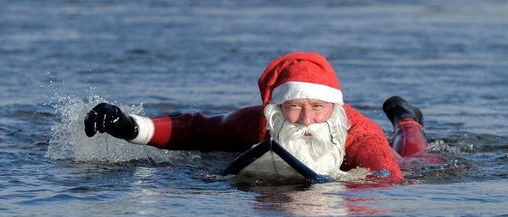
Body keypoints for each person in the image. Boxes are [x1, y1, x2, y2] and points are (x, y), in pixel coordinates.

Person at [84, 51, 435, 182]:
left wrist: (340, 188)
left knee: (414, 155)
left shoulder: (363, 138)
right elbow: (197, 129)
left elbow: (389, 181)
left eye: (318, 108)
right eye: (295, 107)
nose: (307, 120)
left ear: (334, 110)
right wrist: (128, 125)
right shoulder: (259, 122)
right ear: (276, 111)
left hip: (389, 154)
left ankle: (407, 119)